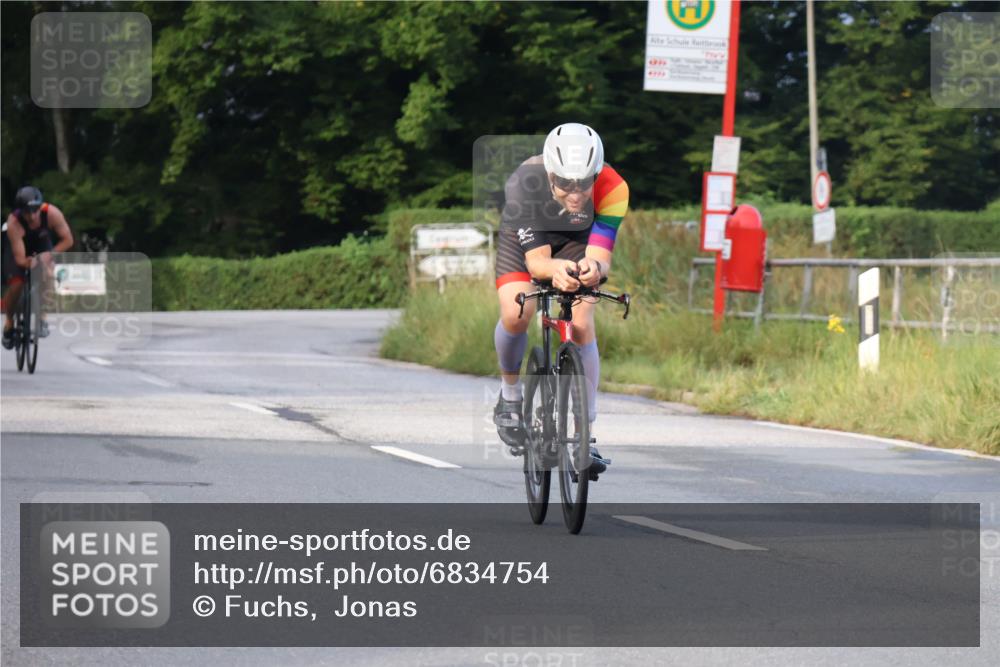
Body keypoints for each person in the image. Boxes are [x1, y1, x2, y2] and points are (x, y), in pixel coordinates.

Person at [492, 123, 629, 478]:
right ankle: (509, 397)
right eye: (565, 183)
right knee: (517, 311)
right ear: (550, 174)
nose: (575, 193)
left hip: (576, 241)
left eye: (584, 183)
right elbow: (537, 262)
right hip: (526, 237)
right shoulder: (525, 183)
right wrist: (554, 270)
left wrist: (592, 268)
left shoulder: (614, 188)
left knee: (582, 324)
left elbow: (601, 254)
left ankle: (586, 436)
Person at [2, 186, 74, 349]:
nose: (32, 216)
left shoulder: (52, 213)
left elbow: (68, 240)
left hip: (41, 243)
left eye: (35, 210)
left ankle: (42, 318)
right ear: (20, 211)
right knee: (17, 284)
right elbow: (20, 260)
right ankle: (9, 322)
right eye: (27, 212)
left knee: (48, 274)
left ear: (41, 207)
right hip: (18, 248)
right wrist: (31, 262)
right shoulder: (14, 222)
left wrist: (49, 255)